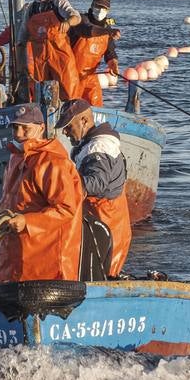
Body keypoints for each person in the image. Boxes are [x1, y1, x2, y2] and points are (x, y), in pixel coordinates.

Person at [0, 103, 84, 283]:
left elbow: (65, 209)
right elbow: (10, 203)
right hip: (14, 254)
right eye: (15, 127)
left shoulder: (52, 162)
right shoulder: (15, 157)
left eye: (25, 129)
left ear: (41, 128)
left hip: (44, 263)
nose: (18, 134)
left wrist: (27, 221)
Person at [57, 98, 131, 279]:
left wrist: (64, 186)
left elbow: (97, 183)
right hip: (108, 218)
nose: (65, 132)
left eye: (68, 126)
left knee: (103, 272)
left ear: (84, 120)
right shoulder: (95, 144)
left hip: (106, 220)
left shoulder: (98, 147)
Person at [0, 0, 81, 101]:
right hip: (40, 57)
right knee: (42, 92)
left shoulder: (57, 1)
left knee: (68, 89)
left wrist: (68, 22)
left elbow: (76, 16)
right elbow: (21, 39)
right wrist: (21, 67)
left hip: (60, 54)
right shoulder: (31, 8)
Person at [68, 0, 121, 107]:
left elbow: (110, 53)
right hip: (70, 76)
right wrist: (108, 32)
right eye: (98, 6)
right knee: (71, 108)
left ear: (108, 10)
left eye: (104, 8)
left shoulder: (107, 29)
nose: (100, 10)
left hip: (90, 76)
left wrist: (113, 64)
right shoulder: (81, 19)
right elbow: (88, 30)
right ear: (92, 5)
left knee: (96, 105)